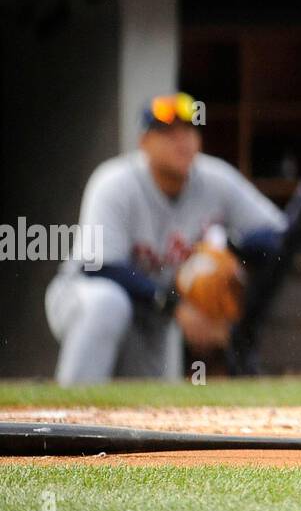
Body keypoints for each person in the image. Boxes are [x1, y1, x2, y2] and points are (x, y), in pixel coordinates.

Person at [45, 91, 286, 385]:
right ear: (144, 142)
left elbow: (278, 236)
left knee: (136, 410)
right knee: (108, 302)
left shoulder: (215, 180)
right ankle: (71, 408)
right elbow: (100, 266)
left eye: (189, 130)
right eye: (168, 132)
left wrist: (228, 245)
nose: (182, 140)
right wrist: (177, 307)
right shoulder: (114, 182)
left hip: (152, 319)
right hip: (81, 297)